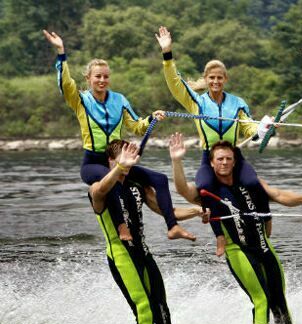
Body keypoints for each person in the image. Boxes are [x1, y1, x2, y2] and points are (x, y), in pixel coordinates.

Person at [168, 132, 302, 324]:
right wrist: (177, 160)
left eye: (228, 159)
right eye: (219, 159)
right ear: (212, 164)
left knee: (279, 300)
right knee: (262, 300)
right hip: (238, 251)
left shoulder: (250, 183)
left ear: (234, 162)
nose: (224, 162)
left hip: (264, 247)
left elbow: (278, 195)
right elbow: (182, 190)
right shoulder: (208, 190)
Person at [43, 29, 195, 242]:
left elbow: (137, 127)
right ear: (88, 78)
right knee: (111, 180)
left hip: (119, 159)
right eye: (98, 76)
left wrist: (152, 117)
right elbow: (65, 84)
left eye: (106, 76)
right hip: (93, 162)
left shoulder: (119, 100)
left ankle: (173, 227)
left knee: (159, 179)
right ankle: (122, 227)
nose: (102, 80)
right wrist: (61, 53)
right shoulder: (80, 100)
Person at [88, 139, 206, 324]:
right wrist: (120, 167)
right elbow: (98, 192)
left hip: (143, 253)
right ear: (110, 161)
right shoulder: (98, 187)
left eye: (130, 160)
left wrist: (197, 211)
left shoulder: (136, 186)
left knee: (161, 308)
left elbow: (166, 210)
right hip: (122, 255)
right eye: (121, 160)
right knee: (144, 309)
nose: (127, 165)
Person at [155, 26, 272, 191]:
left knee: (253, 184)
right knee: (204, 187)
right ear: (205, 78)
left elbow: (248, 127)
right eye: (211, 78)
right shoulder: (197, 102)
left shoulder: (238, 103)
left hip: (233, 157)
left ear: (225, 79)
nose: (215, 81)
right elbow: (176, 84)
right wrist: (167, 53)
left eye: (219, 78)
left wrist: (263, 127)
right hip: (208, 157)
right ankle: (209, 213)